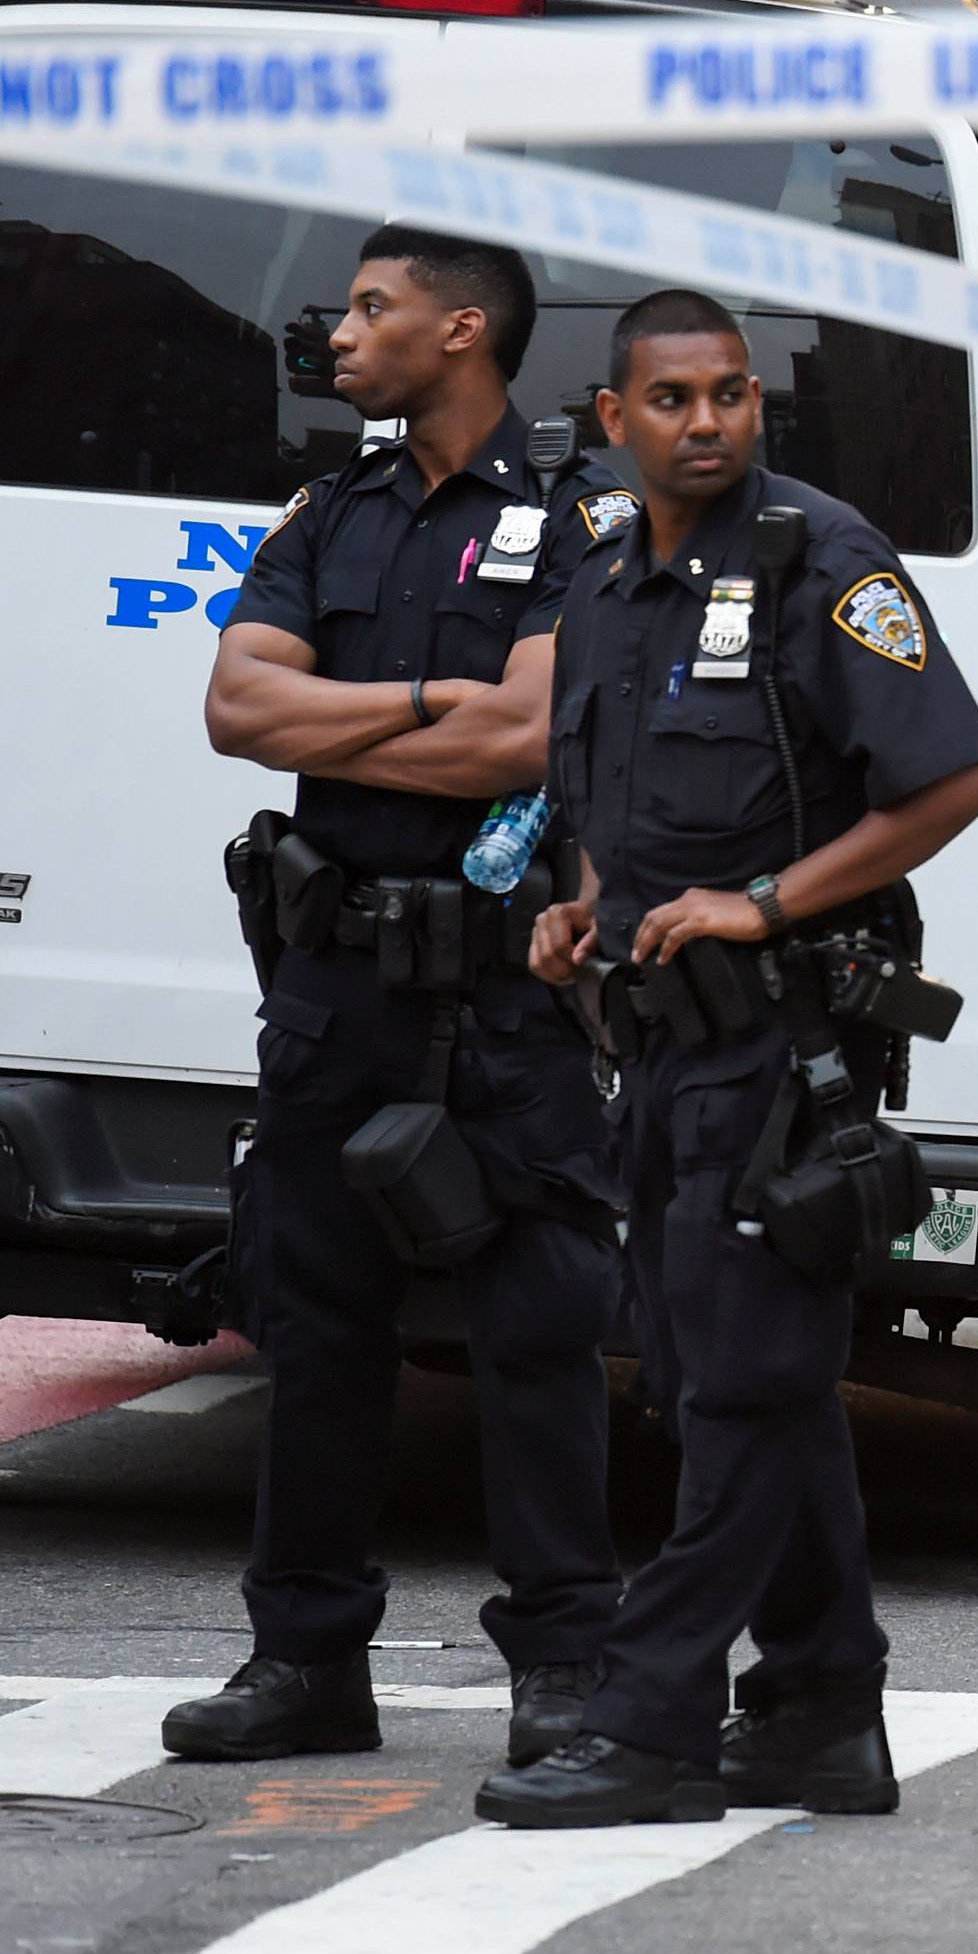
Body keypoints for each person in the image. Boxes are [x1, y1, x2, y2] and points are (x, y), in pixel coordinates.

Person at [478, 288, 978, 1830]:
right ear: (616, 419)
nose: (707, 422)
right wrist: (574, 914)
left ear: (757, 405)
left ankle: (651, 1724)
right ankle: (823, 1707)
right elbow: (605, 812)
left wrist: (760, 900)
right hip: (658, 1057)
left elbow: (956, 777)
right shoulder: (604, 581)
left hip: (785, 1054)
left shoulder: (822, 561)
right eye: (675, 400)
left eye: (732, 396)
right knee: (737, 1377)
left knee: (743, 1394)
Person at [162, 227, 637, 1767]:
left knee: (539, 1333)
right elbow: (239, 705)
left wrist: (370, 720)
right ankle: (304, 1662)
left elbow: (530, 741)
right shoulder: (335, 507)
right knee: (313, 1329)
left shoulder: (580, 517)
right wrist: (439, 701)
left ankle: (565, 1668)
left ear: (464, 328)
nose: (344, 328)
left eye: (377, 306)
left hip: (504, 999)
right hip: (332, 984)